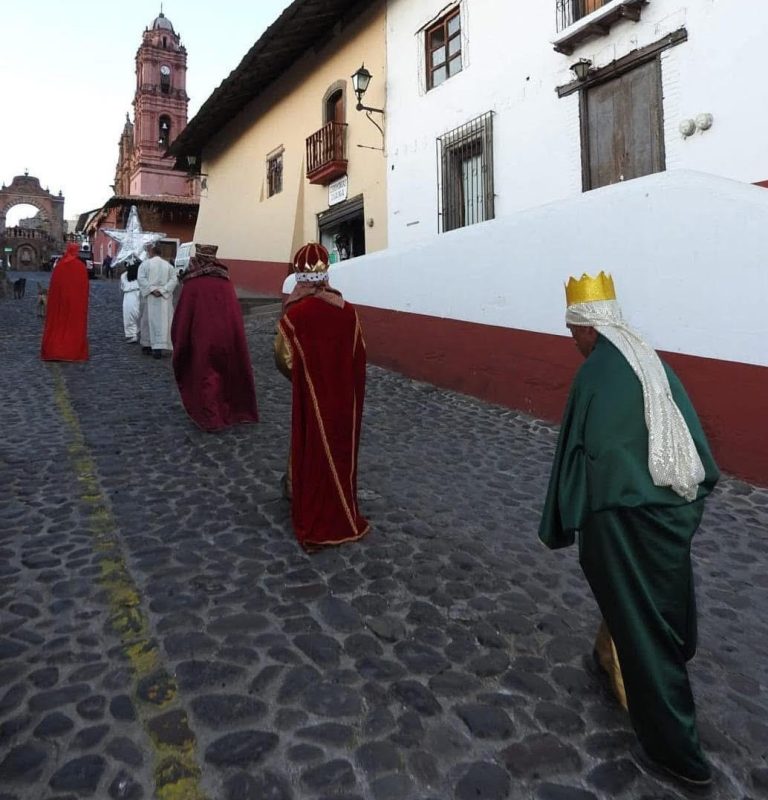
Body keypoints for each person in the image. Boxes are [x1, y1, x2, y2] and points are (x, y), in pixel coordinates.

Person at [538, 271, 720, 791]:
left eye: (573, 330)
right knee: (648, 603)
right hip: (669, 513)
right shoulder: (647, 357)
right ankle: (605, 653)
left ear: (591, 328)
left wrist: (564, 518)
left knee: (642, 626)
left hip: (624, 517)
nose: (572, 341)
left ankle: (678, 752)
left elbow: (576, 455)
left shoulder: (595, 374)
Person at [274, 242, 369, 549]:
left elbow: (284, 360)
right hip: (345, 401)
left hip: (313, 399)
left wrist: (306, 381)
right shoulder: (349, 312)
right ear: (326, 274)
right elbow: (360, 356)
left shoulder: (294, 317)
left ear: (300, 278)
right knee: (341, 455)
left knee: (312, 451)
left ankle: (315, 511)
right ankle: (343, 509)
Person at [170, 244, 259, 431]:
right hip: (226, 336)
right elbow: (234, 313)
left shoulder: (192, 284)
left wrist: (180, 339)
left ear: (198, 258)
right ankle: (230, 411)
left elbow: (183, 317)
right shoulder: (226, 282)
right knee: (225, 374)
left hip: (202, 337)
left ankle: (211, 418)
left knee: (206, 377)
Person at [40, 242, 89, 362]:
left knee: (59, 323)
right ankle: (71, 350)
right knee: (73, 324)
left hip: (60, 302)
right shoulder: (80, 267)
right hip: (75, 303)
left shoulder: (60, 266)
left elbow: (54, 287)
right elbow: (85, 287)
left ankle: (54, 349)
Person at [137, 244, 177, 359]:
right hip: (164, 299)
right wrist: (164, 290)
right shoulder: (169, 266)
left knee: (147, 321)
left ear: (151, 252)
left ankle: (147, 345)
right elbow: (174, 280)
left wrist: (152, 289)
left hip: (150, 297)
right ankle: (159, 346)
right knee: (163, 323)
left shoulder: (145, 264)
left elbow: (141, 278)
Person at [120, 257, 141, 342]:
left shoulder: (124, 276)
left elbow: (122, 287)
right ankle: (139, 331)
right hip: (139, 294)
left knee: (129, 315)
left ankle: (132, 334)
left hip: (128, 296)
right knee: (139, 314)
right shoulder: (139, 275)